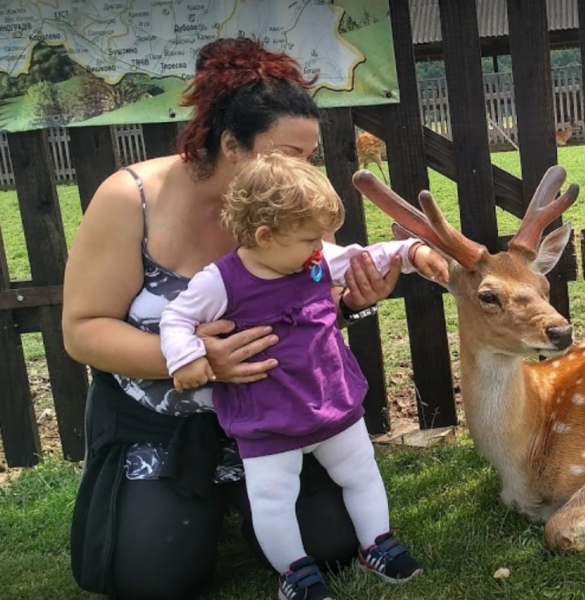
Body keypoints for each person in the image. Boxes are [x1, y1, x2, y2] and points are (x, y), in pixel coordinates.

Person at [63, 37, 406, 600]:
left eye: (309, 156)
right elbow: (82, 330)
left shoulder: (294, 205)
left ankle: (252, 497)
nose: (303, 171)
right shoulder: (131, 199)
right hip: (167, 423)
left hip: (281, 415)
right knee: (152, 578)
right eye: (289, 154)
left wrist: (350, 303)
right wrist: (199, 360)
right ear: (230, 145)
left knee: (331, 547)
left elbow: (304, 313)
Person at [159, 152, 447, 599]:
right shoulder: (220, 281)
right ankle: (294, 572)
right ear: (264, 235)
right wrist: (187, 358)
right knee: (272, 500)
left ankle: (376, 543)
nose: (319, 248)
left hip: (334, 405)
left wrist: (412, 252)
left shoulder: (313, 261)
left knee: (362, 474)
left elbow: (365, 257)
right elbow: (175, 318)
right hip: (268, 420)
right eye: (310, 238)